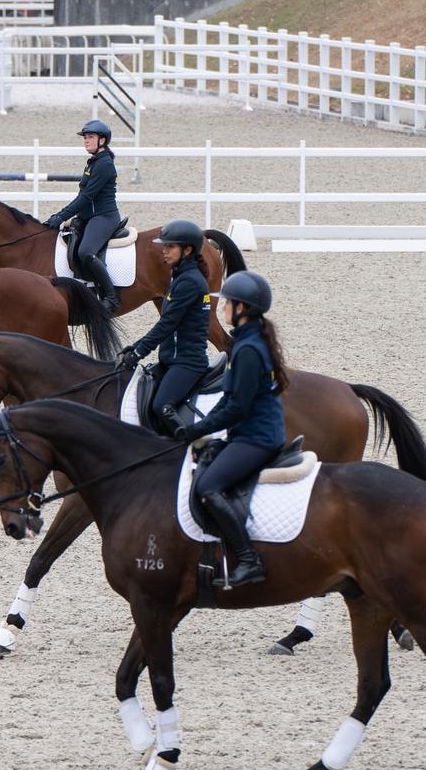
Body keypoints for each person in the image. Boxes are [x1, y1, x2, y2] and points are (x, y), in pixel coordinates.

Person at [168, 270, 290, 588]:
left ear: (241, 309)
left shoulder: (248, 351)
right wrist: (197, 430)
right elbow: (230, 400)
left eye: (227, 304)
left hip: (257, 438)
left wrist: (199, 429)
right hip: (248, 433)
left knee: (208, 487)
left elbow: (238, 407)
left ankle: (249, 560)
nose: (221, 309)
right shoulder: (248, 341)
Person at [116, 219, 211, 425]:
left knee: (161, 406)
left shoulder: (190, 282)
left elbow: (167, 325)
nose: (164, 251)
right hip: (171, 359)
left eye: (170, 246)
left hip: (187, 362)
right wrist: (133, 348)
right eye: (164, 245)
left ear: (187, 250)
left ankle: (189, 443)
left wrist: (139, 352)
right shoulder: (179, 277)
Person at [44, 118, 121, 313]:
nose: (86, 140)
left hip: (104, 217)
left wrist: (61, 216)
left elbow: (86, 197)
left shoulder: (104, 164)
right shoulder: (93, 162)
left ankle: (111, 297)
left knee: (86, 252)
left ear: (102, 141)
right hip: (89, 216)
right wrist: (64, 217)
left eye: (90, 137)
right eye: (85, 137)